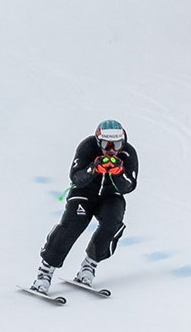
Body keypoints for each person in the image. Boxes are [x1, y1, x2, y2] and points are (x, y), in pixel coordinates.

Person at [31, 119, 138, 293]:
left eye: (117, 144)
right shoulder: (87, 147)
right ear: (98, 141)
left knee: (113, 223)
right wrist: (93, 168)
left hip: (111, 195)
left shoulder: (128, 154)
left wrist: (118, 173)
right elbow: (76, 177)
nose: (111, 150)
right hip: (84, 193)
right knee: (72, 225)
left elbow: (129, 186)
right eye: (106, 144)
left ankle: (90, 265)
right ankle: (45, 272)